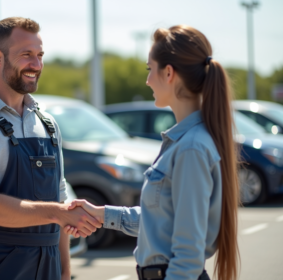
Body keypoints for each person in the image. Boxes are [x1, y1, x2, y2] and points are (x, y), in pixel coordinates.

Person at [64, 25, 240, 280]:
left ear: (168, 73)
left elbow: (187, 256)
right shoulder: (185, 142)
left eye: (150, 69)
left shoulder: (191, 148)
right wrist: (101, 215)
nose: (147, 80)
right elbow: (161, 220)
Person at [0, 17, 100, 280]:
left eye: (40, 55)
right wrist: (58, 213)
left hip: (48, 269)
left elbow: (60, 199)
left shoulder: (48, 125)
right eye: (26, 55)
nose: (37, 65)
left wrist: (64, 271)